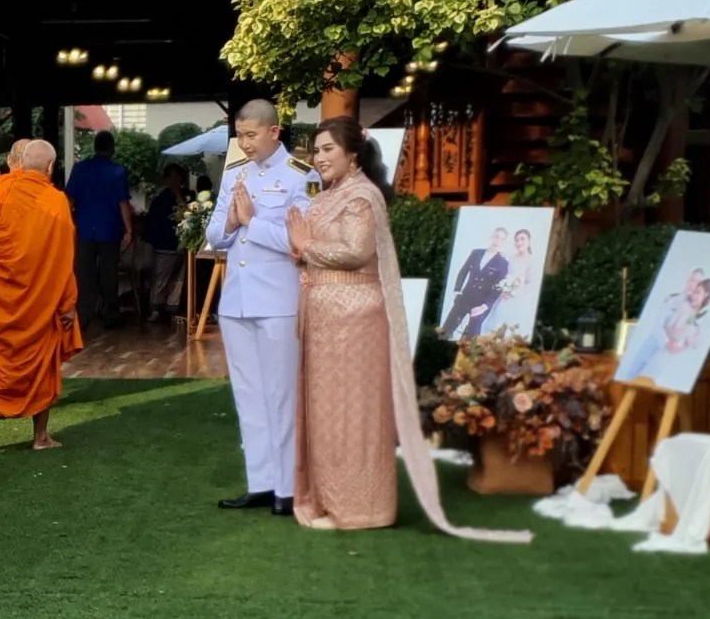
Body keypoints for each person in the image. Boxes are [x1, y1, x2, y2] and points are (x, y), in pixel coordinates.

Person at [285, 116, 528, 543]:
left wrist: (306, 246)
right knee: (327, 412)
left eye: (328, 149)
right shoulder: (328, 196)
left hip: (354, 317)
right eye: (316, 149)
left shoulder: (362, 197)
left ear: (353, 155)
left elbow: (356, 252)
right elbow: (314, 251)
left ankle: (360, 509)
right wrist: (300, 249)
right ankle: (332, 500)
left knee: (352, 414)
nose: (319, 157)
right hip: (325, 316)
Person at [205, 101, 315, 515]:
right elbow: (215, 235)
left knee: (281, 394)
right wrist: (233, 223)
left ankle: (287, 488)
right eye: (240, 135)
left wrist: (252, 222)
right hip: (237, 299)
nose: (244, 143)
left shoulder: (302, 177)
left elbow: (298, 240)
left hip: (278, 300)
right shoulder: (236, 174)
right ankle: (262, 483)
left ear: (275, 132)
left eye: (251, 135)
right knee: (248, 396)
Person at [0, 140, 81, 451]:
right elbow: (64, 259)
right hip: (43, 303)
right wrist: (68, 304)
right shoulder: (57, 201)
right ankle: (40, 437)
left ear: (17, 163)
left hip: (0, 297)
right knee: (43, 368)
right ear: (50, 168)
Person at [66, 130, 133, 329]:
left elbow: (69, 200)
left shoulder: (79, 169)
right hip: (109, 229)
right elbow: (123, 203)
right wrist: (129, 229)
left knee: (84, 273)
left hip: (85, 229)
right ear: (112, 149)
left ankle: (83, 316)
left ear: (95, 147)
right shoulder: (118, 171)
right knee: (109, 273)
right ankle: (110, 315)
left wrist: (66, 224)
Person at [621, 271, 710, 390]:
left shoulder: (704, 317)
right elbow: (662, 325)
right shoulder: (675, 300)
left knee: (653, 382)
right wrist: (671, 340)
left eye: (697, 284)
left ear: (706, 294)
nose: (693, 286)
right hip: (655, 344)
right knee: (632, 376)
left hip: (673, 360)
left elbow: (696, 342)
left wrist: (684, 342)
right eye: (692, 280)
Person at [439, 228, 510, 339]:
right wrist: (457, 291)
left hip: (481, 303)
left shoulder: (503, 262)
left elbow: (498, 287)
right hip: (464, 297)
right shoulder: (476, 253)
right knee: (444, 332)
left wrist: (484, 307)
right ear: (491, 237)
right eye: (496, 236)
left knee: (470, 340)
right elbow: (463, 271)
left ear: (504, 243)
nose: (497, 241)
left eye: (501, 239)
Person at [142, 163, 186, 322]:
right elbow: (152, 224)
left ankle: (172, 309)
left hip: (181, 246)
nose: (175, 180)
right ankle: (155, 309)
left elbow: (189, 215)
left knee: (178, 280)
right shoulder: (160, 200)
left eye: (178, 177)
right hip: (164, 245)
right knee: (160, 279)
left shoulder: (187, 197)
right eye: (171, 177)